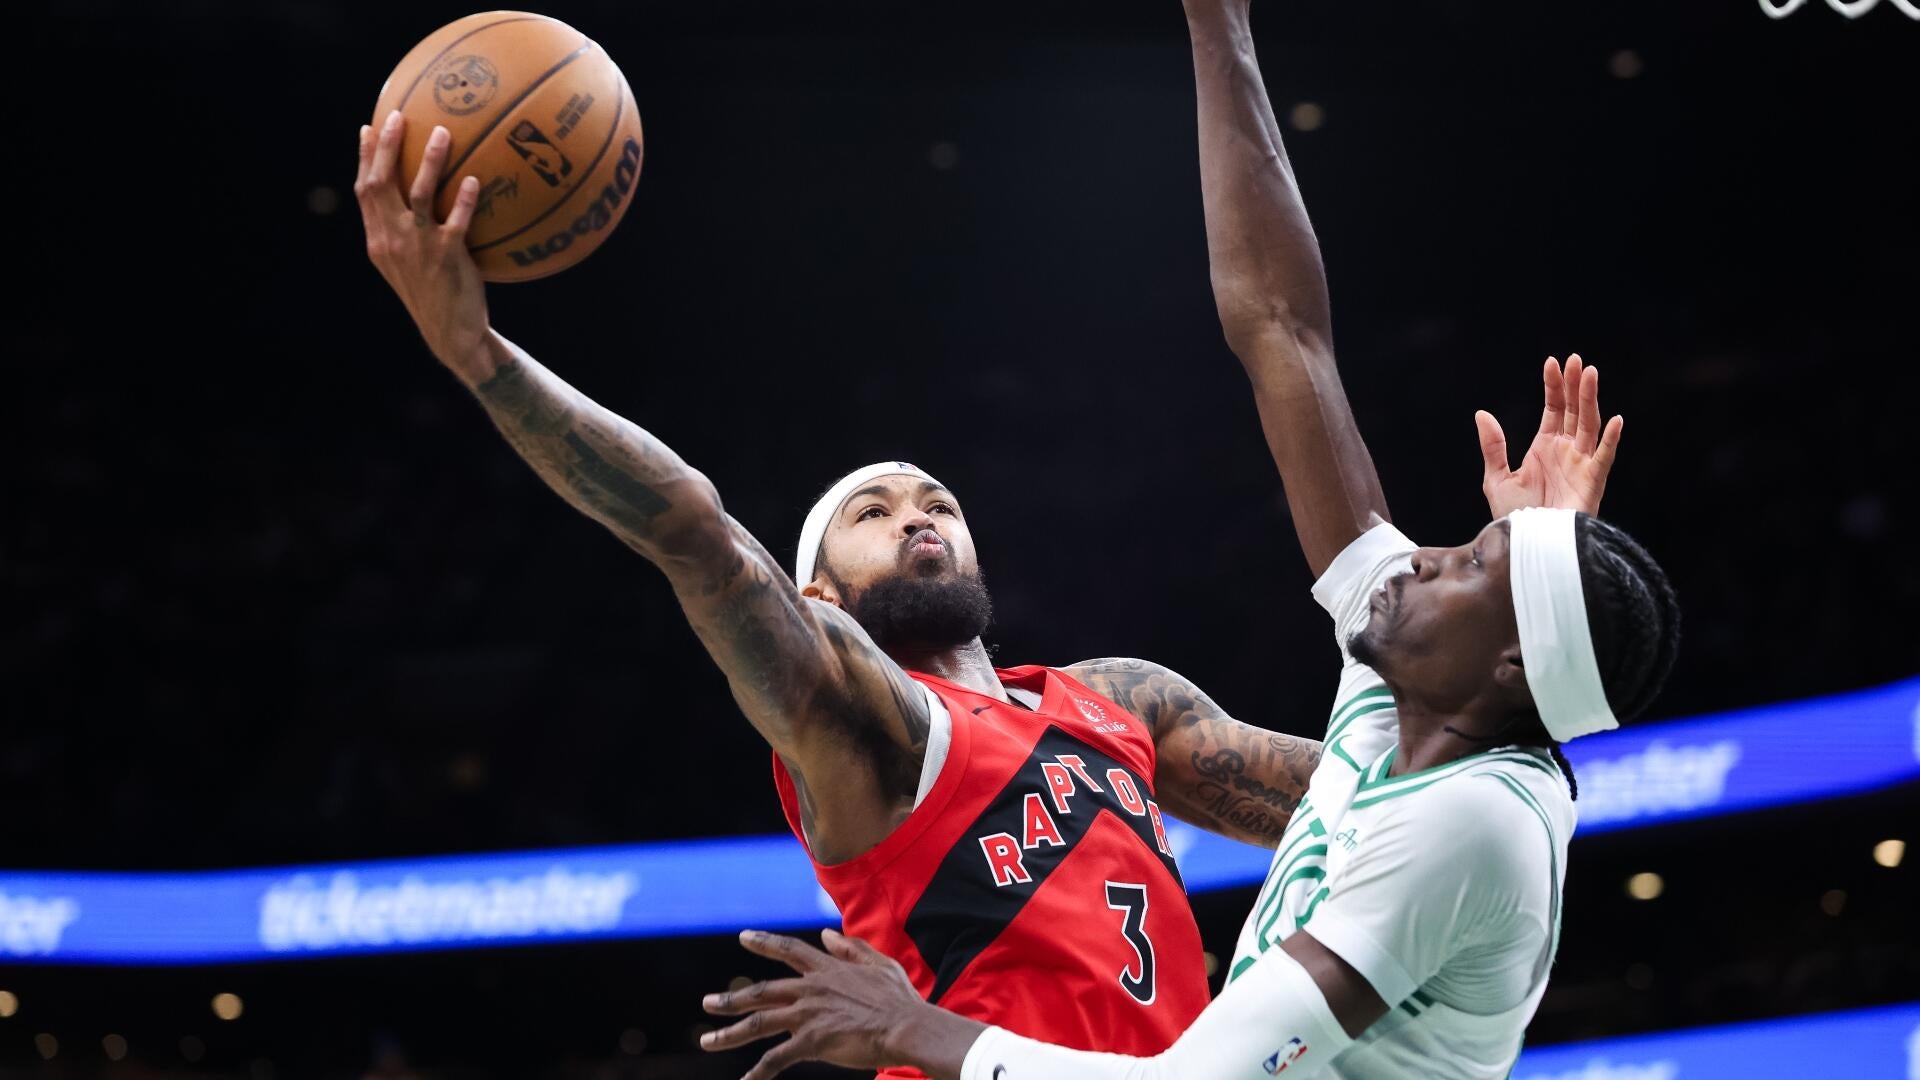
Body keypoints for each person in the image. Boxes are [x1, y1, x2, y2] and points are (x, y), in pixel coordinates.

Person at [690, 0, 1680, 1076]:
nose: (1424, 555)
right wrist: (1222, 26)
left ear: (1506, 661)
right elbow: (1282, 327)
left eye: (1470, 565)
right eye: (873, 512)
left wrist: (912, 1029)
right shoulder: (1419, 694)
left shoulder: (1471, 821)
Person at [352, 99, 1327, 1074]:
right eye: (873, 513)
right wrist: (481, 357)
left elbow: (1353, 799)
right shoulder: (866, 722)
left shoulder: (1122, 699)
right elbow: (693, 531)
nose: (917, 517)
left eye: (937, 503)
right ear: (818, 599)